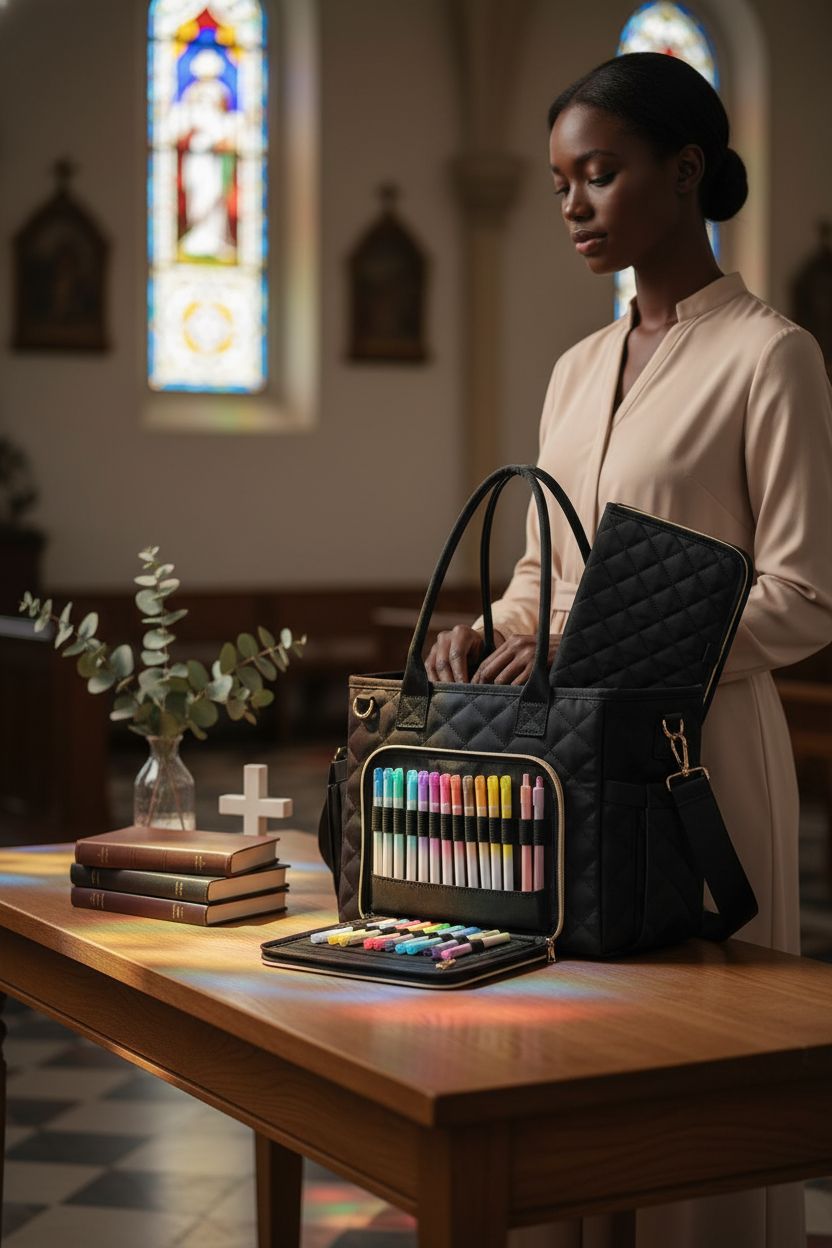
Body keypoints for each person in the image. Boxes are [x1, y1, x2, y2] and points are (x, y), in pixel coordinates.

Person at [426, 51, 832, 1248]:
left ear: (685, 169)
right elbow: (543, 569)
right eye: (560, 182)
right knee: (555, 1035)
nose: (572, 205)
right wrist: (490, 629)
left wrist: (597, 648)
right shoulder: (574, 368)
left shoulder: (771, 355)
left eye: (598, 175)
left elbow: (805, 596)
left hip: (698, 752)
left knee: (684, 1070)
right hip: (557, 756)